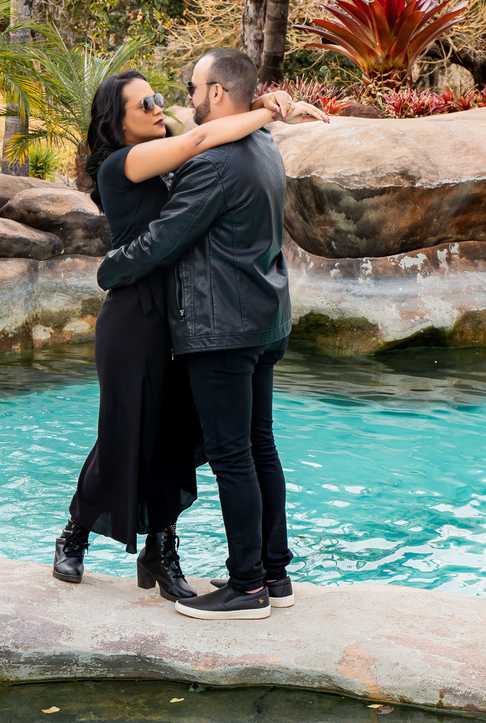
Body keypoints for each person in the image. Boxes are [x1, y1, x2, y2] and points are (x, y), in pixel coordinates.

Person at [53, 67, 326, 603]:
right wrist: (269, 110)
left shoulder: (163, 155)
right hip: (136, 316)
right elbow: (203, 133)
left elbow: (210, 125)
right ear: (117, 122)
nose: (159, 108)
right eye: (144, 105)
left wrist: (262, 101)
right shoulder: (122, 163)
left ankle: (162, 550)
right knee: (125, 431)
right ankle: (75, 534)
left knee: (173, 434)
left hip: (183, 315)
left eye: (159, 98)